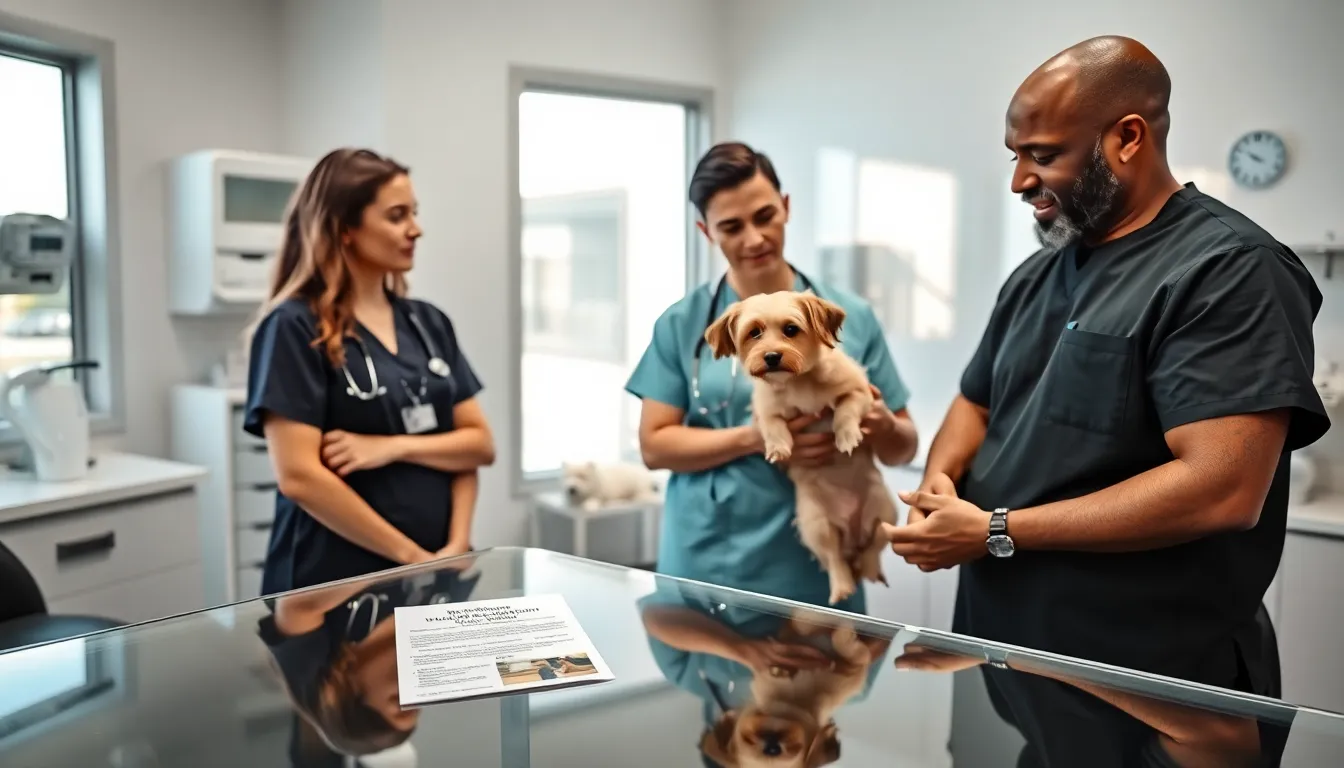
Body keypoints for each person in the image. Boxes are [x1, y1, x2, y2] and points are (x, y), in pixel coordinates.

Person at [884, 36, 1328, 764]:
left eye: (1043, 154)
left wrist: (995, 528)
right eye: (1015, 155)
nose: (1020, 181)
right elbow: (977, 403)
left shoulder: (1229, 270)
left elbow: (1220, 488)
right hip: (1015, 674)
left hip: (1158, 695)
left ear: (1127, 137)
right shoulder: (1038, 275)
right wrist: (942, 480)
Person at [625, 141, 919, 614]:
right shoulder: (682, 325)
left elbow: (905, 446)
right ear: (706, 231)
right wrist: (754, 437)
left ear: (786, 207)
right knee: (724, 685)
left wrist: (880, 422)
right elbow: (655, 447)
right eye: (731, 227)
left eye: (764, 216)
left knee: (828, 680)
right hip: (714, 564)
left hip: (823, 566)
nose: (754, 238)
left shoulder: (849, 316)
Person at [243, 147, 495, 596]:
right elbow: (299, 476)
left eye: (414, 213)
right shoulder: (294, 327)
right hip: (333, 580)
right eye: (397, 216)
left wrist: (453, 546)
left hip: (436, 572)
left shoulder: (429, 323)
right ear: (345, 229)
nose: (415, 229)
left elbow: (477, 446)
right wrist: (411, 558)